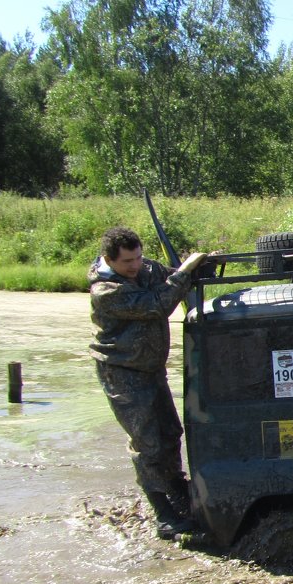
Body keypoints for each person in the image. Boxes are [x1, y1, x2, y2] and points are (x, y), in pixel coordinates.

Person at [88, 226, 207, 539]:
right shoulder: (106, 291)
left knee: (170, 432)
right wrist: (184, 274)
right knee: (146, 442)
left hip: (151, 368)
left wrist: (198, 265)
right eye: (128, 261)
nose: (136, 265)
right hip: (122, 372)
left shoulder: (143, 269)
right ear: (108, 260)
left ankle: (177, 489)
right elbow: (158, 303)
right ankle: (163, 513)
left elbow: (167, 275)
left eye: (138, 257)